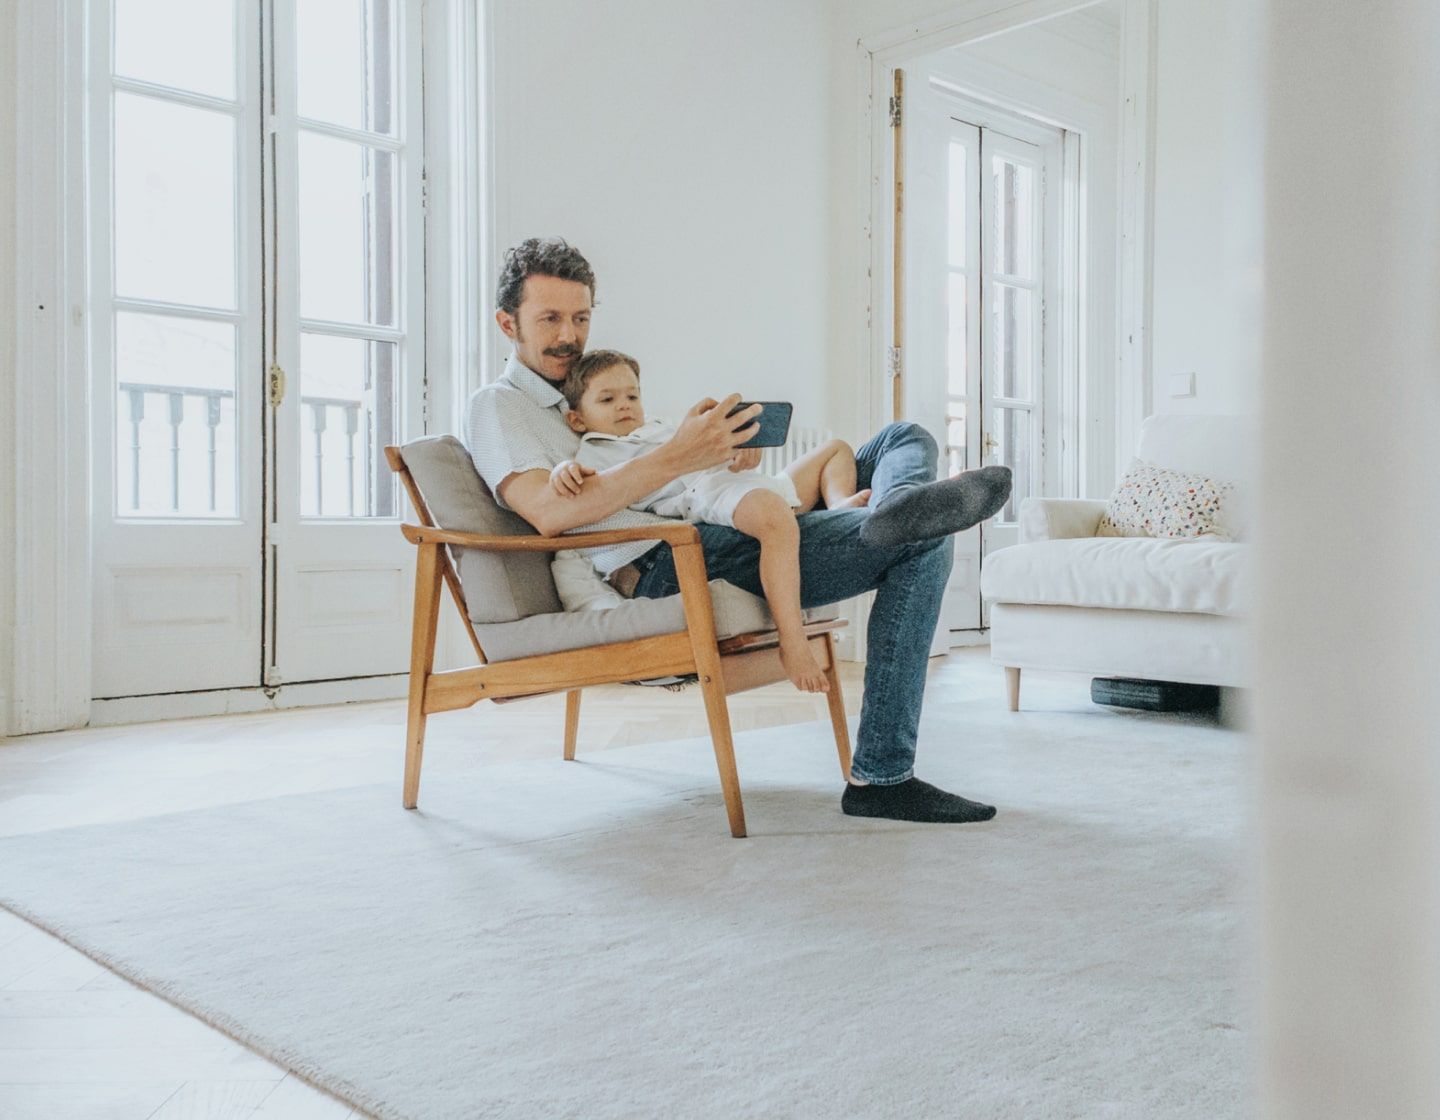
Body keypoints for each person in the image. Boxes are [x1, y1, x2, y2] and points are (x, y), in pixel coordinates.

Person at [466, 237, 1013, 824]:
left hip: (702, 527)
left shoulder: (588, 390)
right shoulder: (499, 407)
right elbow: (547, 513)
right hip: (667, 561)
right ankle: (882, 775)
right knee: (924, 539)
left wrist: (714, 453)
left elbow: (668, 483)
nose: (569, 335)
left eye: (580, 317)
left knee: (903, 438)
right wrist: (678, 455)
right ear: (508, 323)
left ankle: (896, 504)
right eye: (549, 318)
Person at [548, 347, 872, 693]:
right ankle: (791, 641)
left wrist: (740, 455)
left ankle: (838, 507)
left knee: (835, 448)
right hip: (705, 494)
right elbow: (579, 486)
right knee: (775, 517)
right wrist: (562, 471)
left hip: (740, 483)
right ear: (577, 420)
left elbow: (719, 456)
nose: (624, 405)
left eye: (632, 395)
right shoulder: (592, 451)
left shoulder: (662, 429)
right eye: (608, 399)